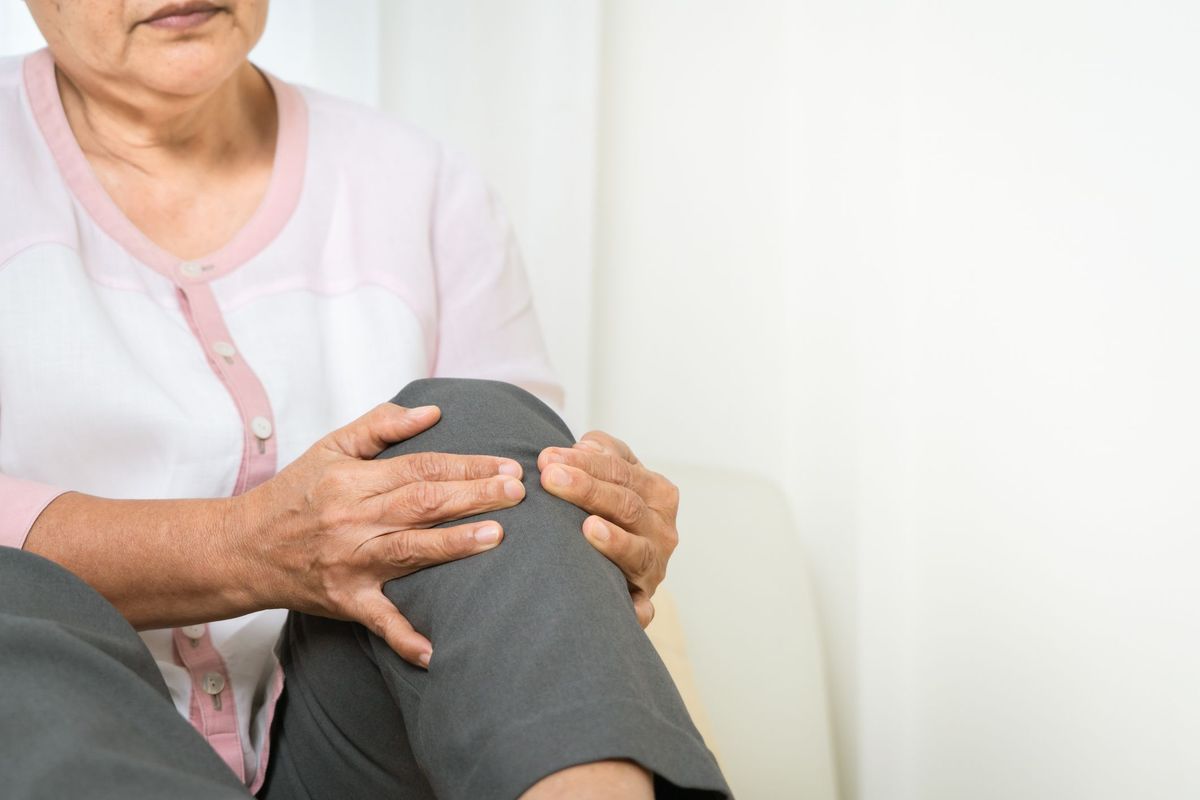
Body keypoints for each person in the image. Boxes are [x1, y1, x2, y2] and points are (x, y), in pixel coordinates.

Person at [0, 2, 730, 798]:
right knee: (16, 590)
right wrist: (246, 546)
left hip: (350, 756)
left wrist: (587, 526)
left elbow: (520, 548)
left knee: (483, 439)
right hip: (63, 743)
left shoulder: (420, 181)